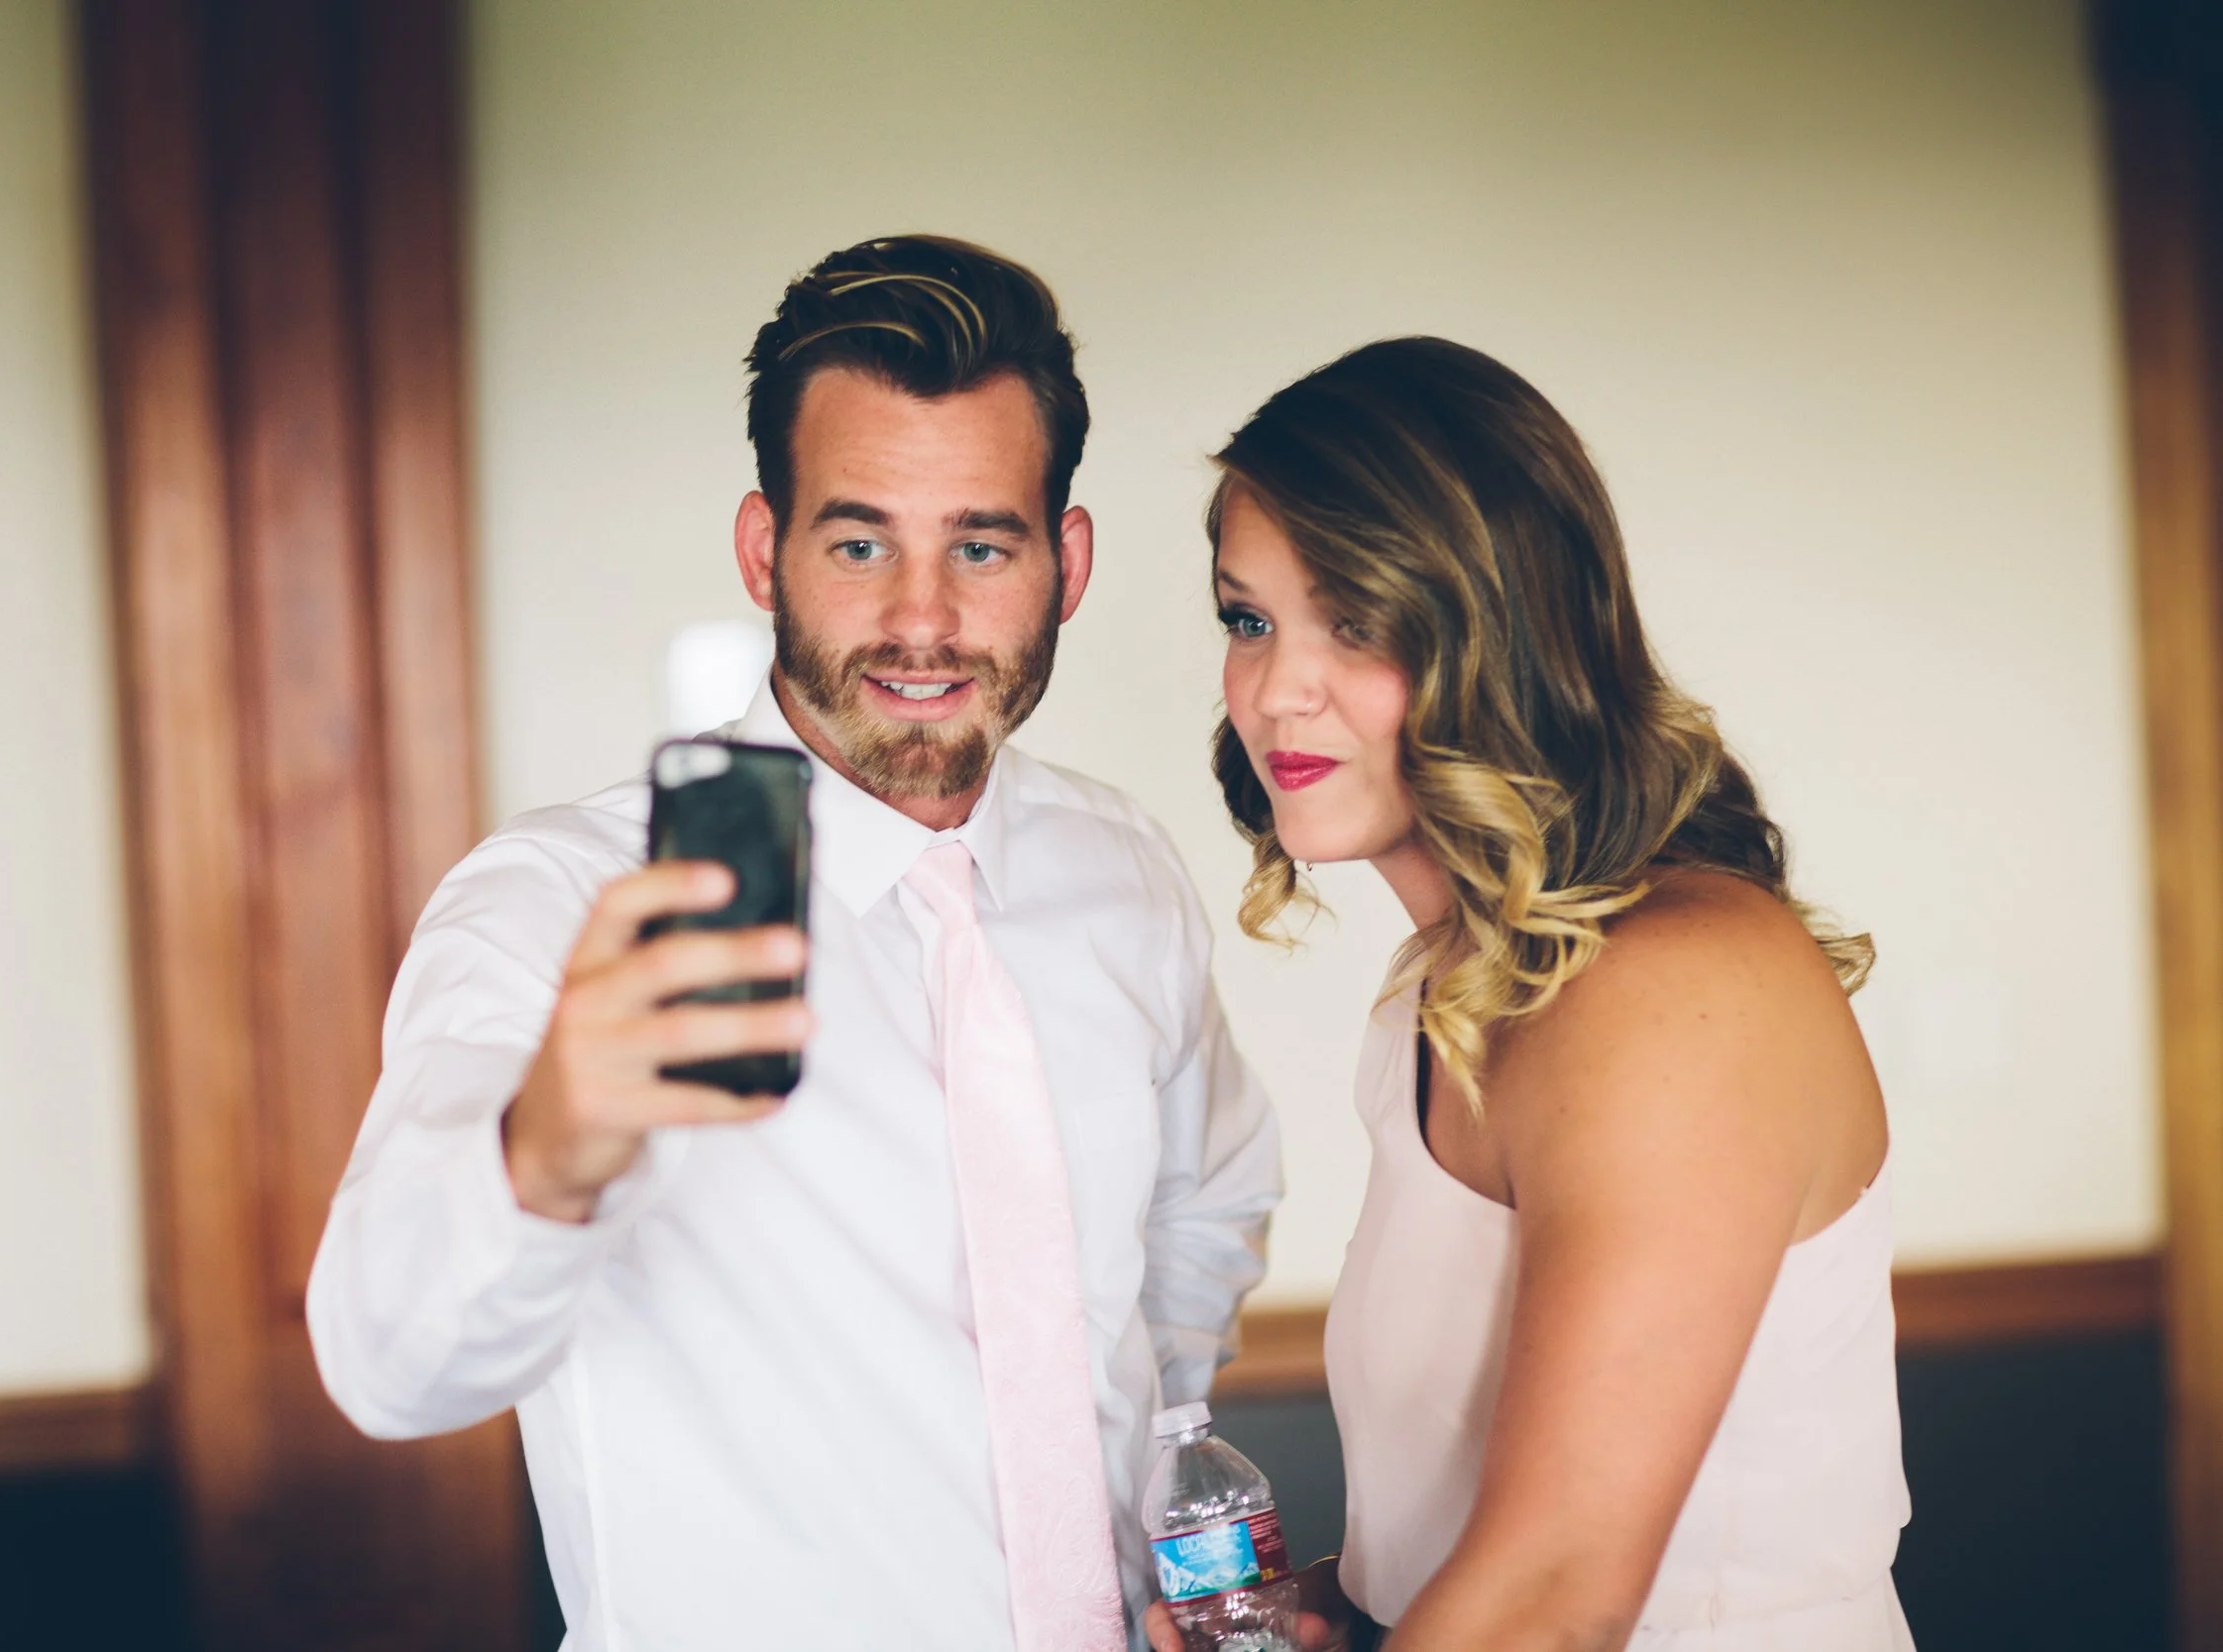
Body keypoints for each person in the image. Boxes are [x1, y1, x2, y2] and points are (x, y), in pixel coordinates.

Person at [306, 234, 1281, 1651]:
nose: (922, 619)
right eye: (859, 542)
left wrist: (1146, 1494)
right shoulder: (556, 903)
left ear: (1066, 563)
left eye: (981, 545)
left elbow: (1206, 1208)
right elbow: (388, 1364)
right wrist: (554, 1144)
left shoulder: (1120, 870)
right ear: (766, 549)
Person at [1148, 338, 1910, 1652]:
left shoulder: (1676, 986)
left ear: (1502, 631)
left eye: (1355, 620)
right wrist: (1341, 1605)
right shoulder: (1439, 995)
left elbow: (1557, 1594)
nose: (1275, 689)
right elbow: (1483, 1541)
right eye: (1247, 619)